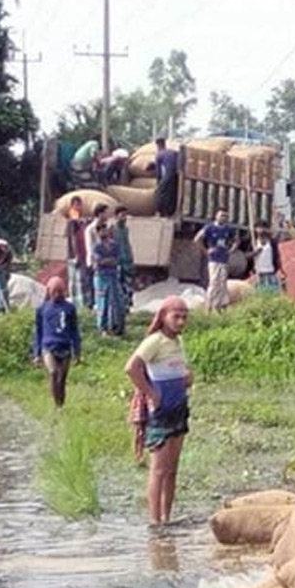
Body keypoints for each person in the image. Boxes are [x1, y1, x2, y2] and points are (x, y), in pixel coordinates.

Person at [124, 297, 193, 527]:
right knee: (159, 470)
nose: (181, 321)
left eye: (184, 316)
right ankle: (155, 522)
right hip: (161, 411)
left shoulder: (178, 342)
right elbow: (132, 368)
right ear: (163, 316)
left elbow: (176, 369)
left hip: (178, 408)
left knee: (173, 469)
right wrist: (152, 394)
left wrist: (186, 379)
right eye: (176, 316)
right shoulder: (154, 341)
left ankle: (167, 518)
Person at [31, 277, 82, 409]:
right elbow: (38, 331)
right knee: (53, 372)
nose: (57, 295)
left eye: (60, 291)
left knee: (62, 378)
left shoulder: (69, 308)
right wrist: (36, 353)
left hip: (65, 347)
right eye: (54, 292)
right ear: (48, 291)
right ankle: (56, 405)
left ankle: (61, 403)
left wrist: (77, 351)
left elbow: (74, 331)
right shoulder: (42, 309)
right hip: (48, 347)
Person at [195, 209, 236, 312]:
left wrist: (231, 250)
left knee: (222, 283)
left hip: (224, 259)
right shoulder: (209, 227)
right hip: (213, 259)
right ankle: (208, 306)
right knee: (214, 282)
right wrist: (206, 251)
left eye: (225, 216)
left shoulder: (228, 229)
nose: (223, 218)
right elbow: (197, 239)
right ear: (216, 216)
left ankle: (219, 307)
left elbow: (236, 240)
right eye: (222, 215)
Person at [92, 223, 123, 336]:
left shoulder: (114, 245)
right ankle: (102, 327)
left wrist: (107, 261)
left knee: (115, 301)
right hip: (101, 276)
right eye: (101, 231)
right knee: (102, 301)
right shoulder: (96, 246)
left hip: (113, 275)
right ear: (98, 232)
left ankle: (115, 326)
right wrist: (108, 261)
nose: (104, 233)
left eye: (105, 230)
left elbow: (117, 260)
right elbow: (99, 262)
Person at [115, 206, 134, 333]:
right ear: (117, 216)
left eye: (125, 215)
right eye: (122, 215)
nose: (124, 217)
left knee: (128, 286)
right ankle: (121, 309)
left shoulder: (125, 230)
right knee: (120, 286)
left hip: (127, 261)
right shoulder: (114, 230)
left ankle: (127, 308)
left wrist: (131, 258)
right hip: (118, 262)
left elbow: (127, 244)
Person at [252, 220, 284, 293]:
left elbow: (277, 256)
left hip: (270, 272)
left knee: (272, 293)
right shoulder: (253, 241)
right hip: (258, 273)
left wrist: (281, 270)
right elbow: (246, 256)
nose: (261, 230)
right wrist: (255, 253)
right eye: (259, 228)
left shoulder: (272, 242)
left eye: (263, 228)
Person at [154, 138, 181, 218]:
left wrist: (158, 183)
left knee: (160, 193)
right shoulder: (172, 152)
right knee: (172, 194)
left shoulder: (159, 154)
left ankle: (162, 212)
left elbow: (158, 172)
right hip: (176, 175)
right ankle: (170, 212)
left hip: (168, 175)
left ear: (158, 145)